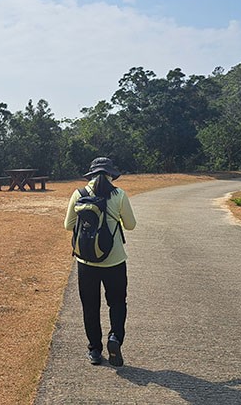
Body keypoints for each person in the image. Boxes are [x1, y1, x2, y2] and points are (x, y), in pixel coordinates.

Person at [64, 157, 137, 366]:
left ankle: (95, 350)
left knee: (90, 306)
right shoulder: (119, 194)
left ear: (91, 175)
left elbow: (68, 225)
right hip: (114, 261)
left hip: (86, 261)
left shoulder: (79, 194)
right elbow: (131, 225)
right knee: (116, 303)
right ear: (110, 174)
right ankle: (115, 338)